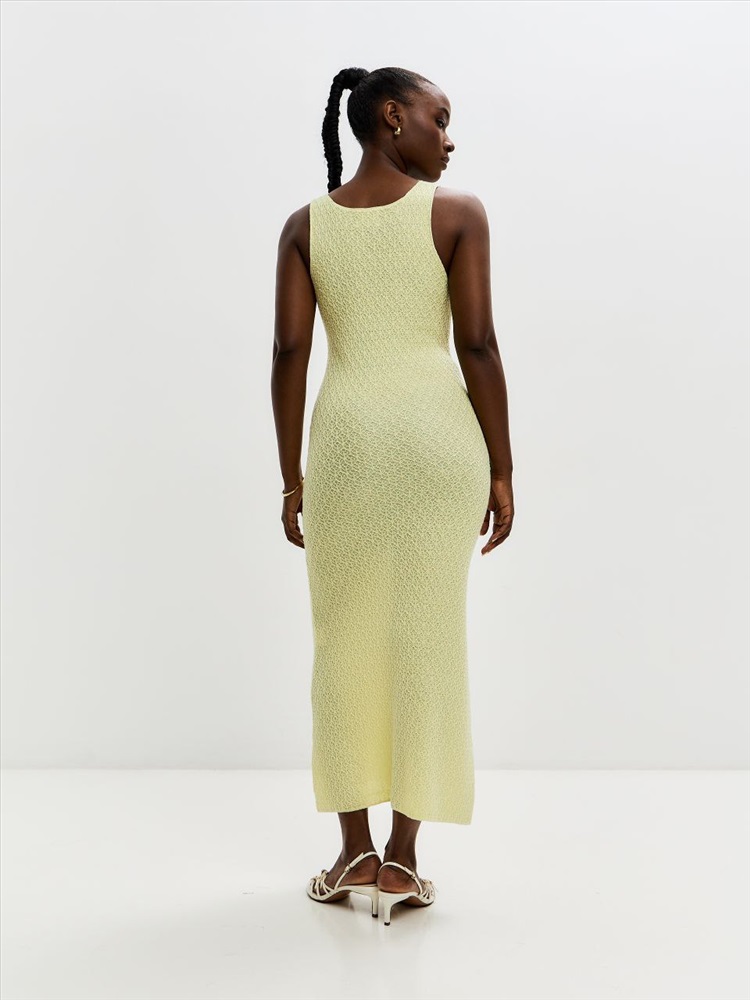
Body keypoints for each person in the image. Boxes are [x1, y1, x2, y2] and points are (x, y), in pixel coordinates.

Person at [271, 65, 514, 925]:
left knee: (342, 639)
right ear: (390, 116)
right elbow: (477, 345)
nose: (449, 138)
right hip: (438, 442)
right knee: (426, 635)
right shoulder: (457, 216)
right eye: (438, 119)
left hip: (348, 444)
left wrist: (291, 476)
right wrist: (502, 468)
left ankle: (354, 854)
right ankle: (405, 861)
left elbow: (289, 355)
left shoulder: (306, 227)